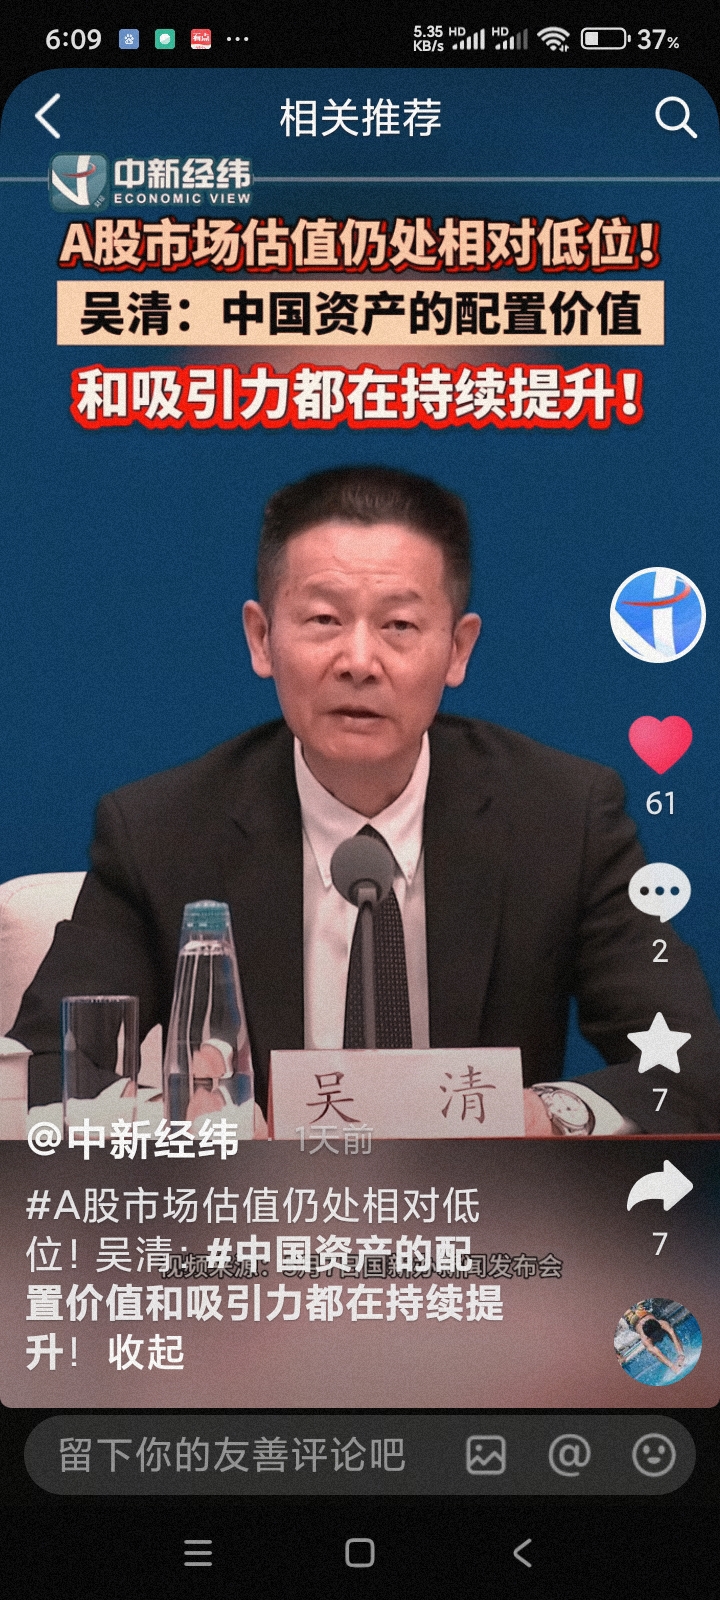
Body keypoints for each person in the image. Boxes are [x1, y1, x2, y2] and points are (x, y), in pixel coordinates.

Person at [12, 465, 720, 1133]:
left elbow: (691, 1063)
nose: (358, 661)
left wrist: (541, 1116)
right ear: (262, 638)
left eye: (399, 625)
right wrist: (179, 1123)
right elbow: (47, 1071)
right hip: (258, 1210)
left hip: (494, 1210)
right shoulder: (162, 831)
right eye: (324, 620)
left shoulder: (562, 818)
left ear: (458, 649)